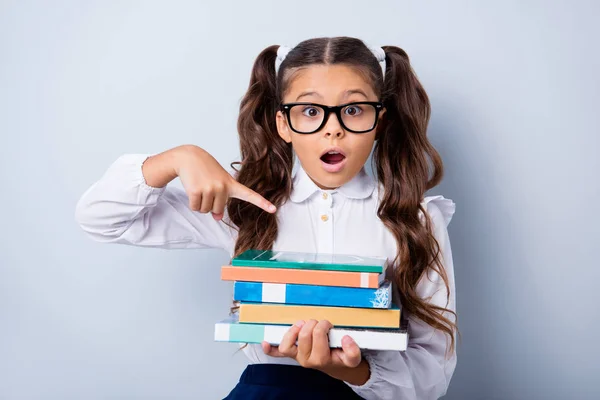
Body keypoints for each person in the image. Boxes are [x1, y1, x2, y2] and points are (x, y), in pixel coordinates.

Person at [75, 36, 458, 400]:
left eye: (353, 109)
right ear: (283, 125)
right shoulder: (245, 206)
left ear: (380, 123)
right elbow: (99, 219)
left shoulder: (418, 220)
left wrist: (352, 371)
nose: (333, 127)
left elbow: (432, 376)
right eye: (310, 111)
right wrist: (176, 158)